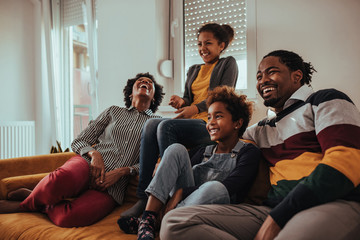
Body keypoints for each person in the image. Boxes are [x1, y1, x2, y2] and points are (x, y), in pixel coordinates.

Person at [160, 50, 360, 240]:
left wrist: (279, 216)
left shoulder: (325, 100)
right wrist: (169, 160)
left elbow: (346, 161)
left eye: (271, 72)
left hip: (332, 201)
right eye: (258, 76)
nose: (263, 80)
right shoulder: (261, 129)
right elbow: (222, 140)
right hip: (270, 210)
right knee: (174, 222)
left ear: (297, 76)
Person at [0, 72, 164, 228]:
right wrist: (95, 155)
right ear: (130, 93)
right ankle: (24, 205)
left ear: (154, 96)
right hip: (87, 164)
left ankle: (33, 199)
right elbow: (79, 140)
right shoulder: (113, 111)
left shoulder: (158, 123)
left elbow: (152, 162)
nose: (145, 82)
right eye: (140, 81)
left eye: (150, 82)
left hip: (112, 186)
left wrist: (121, 172)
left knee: (68, 218)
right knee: (57, 180)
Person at [121, 22, 239, 218]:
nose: (202, 48)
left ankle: (166, 196)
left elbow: (222, 96)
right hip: (193, 123)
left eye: (208, 43)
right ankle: (143, 198)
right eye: (200, 44)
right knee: (151, 124)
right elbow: (189, 98)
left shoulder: (228, 64)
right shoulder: (193, 69)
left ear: (222, 45)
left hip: (211, 125)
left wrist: (195, 108)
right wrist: (181, 101)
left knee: (167, 125)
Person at [118, 85, 262, 240]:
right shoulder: (204, 151)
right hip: (184, 203)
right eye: (209, 117)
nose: (211, 123)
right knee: (175, 149)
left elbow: (230, 187)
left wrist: (181, 192)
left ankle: (161, 222)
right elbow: (175, 168)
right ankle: (148, 219)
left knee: (215, 188)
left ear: (237, 123)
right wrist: (163, 163)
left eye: (218, 116)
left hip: (216, 210)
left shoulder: (248, 152)